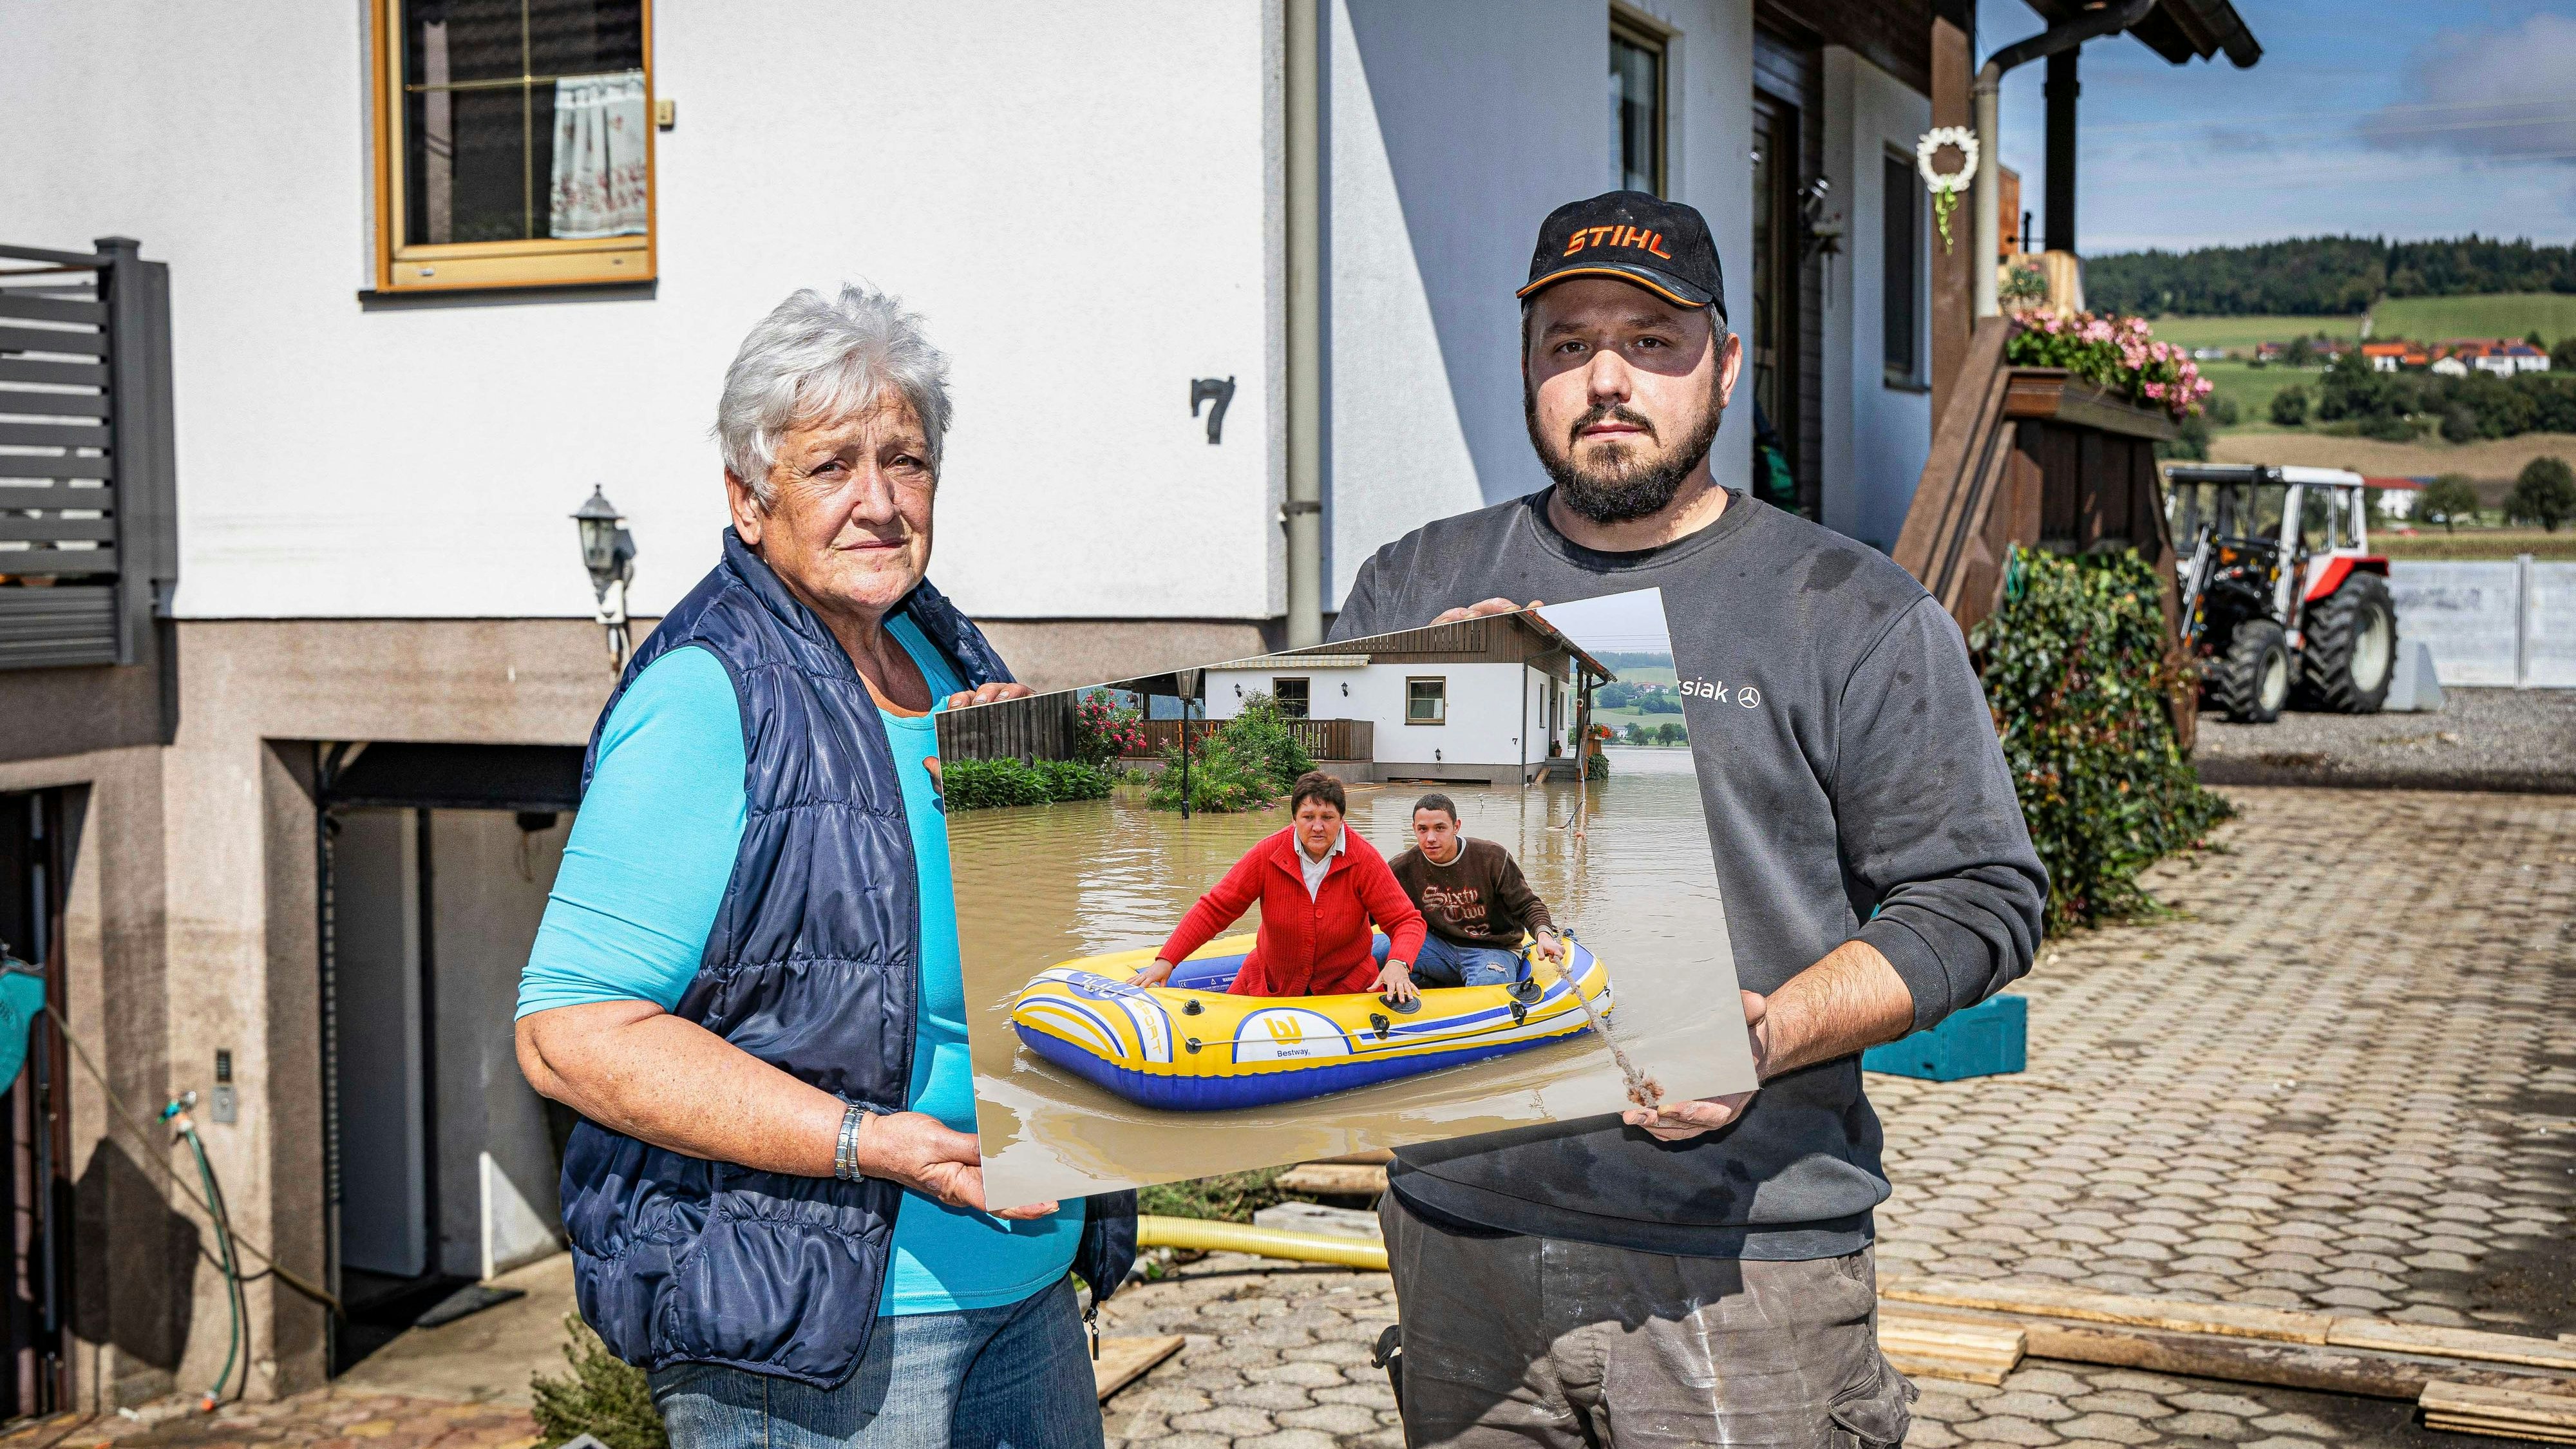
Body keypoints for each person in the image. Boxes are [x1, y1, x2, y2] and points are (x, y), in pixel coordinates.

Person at [1331, 192, 2048, 1447]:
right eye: (1566, 344)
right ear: (1528, 372)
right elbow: (1308, 850)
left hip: (1740, 1255)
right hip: (1457, 1241)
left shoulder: (1848, 610)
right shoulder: (1412, 584)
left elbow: (1976, 896)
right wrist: (1392, 722)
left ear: (1723, 368)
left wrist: (1770, 1032)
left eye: (1650, 343)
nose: (1604, 379)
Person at [514, 285, 1134, 1449]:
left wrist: (1044, 821)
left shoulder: (947, 660)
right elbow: (570, 1032)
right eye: (832, 466)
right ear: (750, 502)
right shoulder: (709, 695)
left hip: (1026, 1279)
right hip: (821, 1329)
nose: (880, 503)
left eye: (906, 462)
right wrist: (866, 1142)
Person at [1131, 772, 1430, 1001]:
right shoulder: (1267, 853)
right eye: (1308, 817)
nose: (1318, 827)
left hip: (1344, 990)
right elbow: (1216, 908)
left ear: (1341, 819)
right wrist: (1167, 959)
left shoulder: (1363, 859)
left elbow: (1406, 921)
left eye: (1328, 817)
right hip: (1270, 985)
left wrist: (1398, 963)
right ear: (1294, 818)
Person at [1386, 793, 1564, 988]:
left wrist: (1544, 935)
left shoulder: (1492, 858)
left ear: (1456, 827)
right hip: (1434, 946)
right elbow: (1373, 911)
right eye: (1423, 829)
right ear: (1414, 829)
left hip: (1492, 949)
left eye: (1440, 828)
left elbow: (1528, 905)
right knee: (1373, 952)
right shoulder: (1402, 867)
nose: (1431, 838)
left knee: (1489, 985)